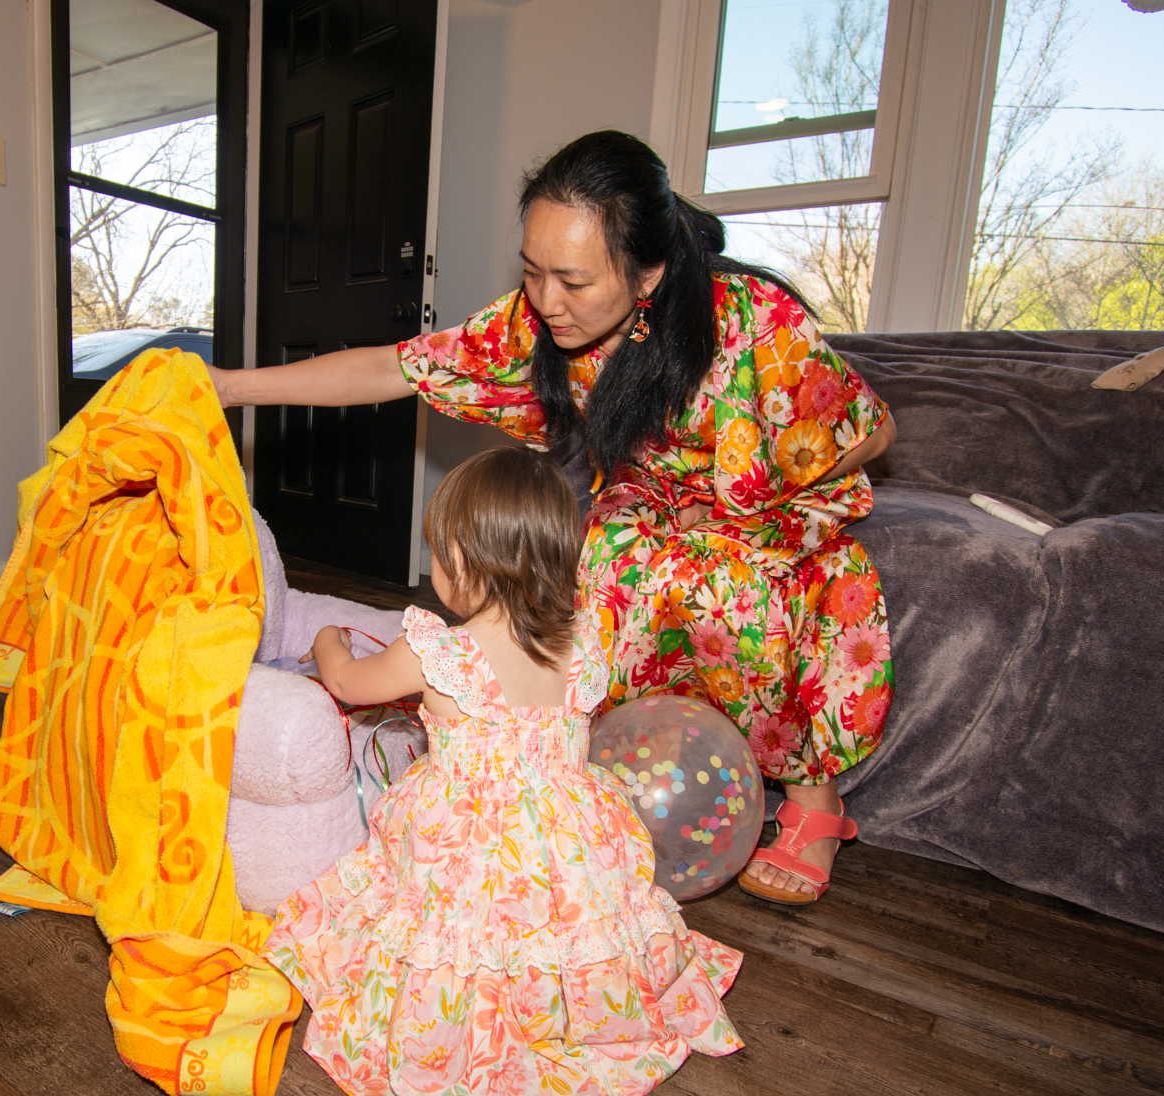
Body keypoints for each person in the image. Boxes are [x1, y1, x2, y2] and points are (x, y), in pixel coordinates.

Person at [214, 130, 895, 905]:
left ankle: (814, 800)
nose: (545, 300)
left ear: (649, 273)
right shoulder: (539, 327)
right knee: (605, 559)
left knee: (715, 578)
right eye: (532, 271)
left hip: (765, 521)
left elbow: (874, 431)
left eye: (572, 279)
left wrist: (746, 491)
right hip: (651, 509)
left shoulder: (756, 322)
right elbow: (393, 366)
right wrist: (229, 386)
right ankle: (592, 768)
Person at [264, 446, 742, 1096]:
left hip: (469, 855)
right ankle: (563, 1010)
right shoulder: (585, 644)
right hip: (564, 851)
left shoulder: (440, 652)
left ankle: (465, 1032)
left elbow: (347, 683)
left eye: (439, 552)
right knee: (564, 934)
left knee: (436, 921)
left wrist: (328, 636)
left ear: (463, 562)